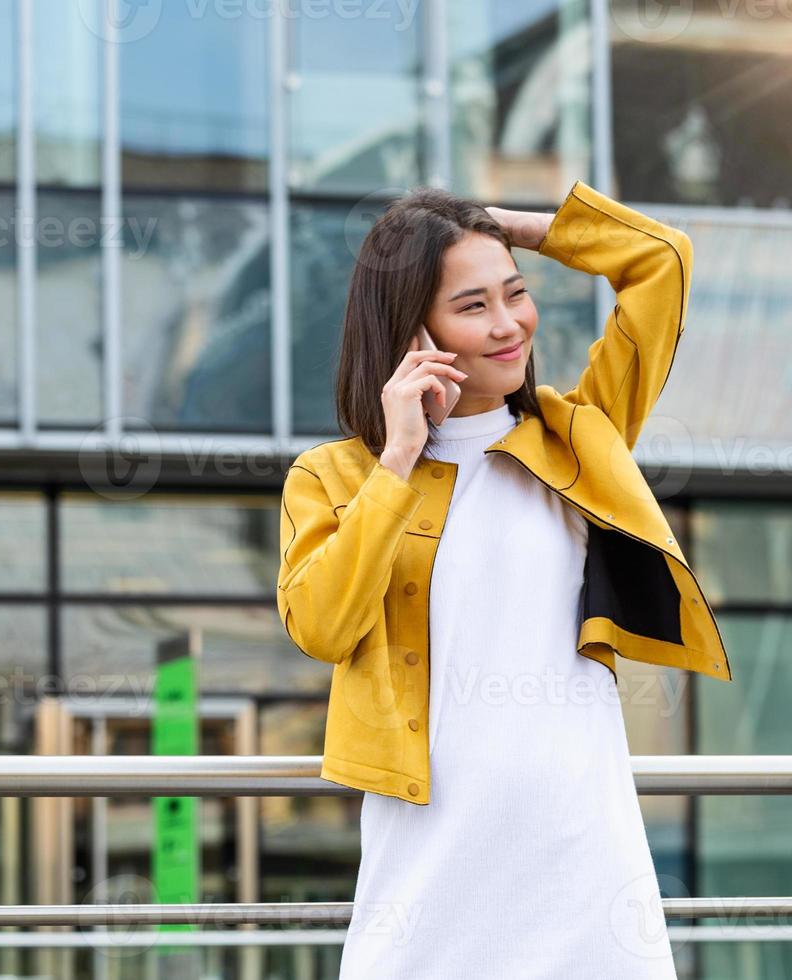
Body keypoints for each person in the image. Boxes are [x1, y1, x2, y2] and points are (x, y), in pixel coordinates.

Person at [279, 178, 724, 978]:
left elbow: (662, 261)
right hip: (427, 864)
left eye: (515, 295)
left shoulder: (580, 439)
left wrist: (507, 226)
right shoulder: (334, 477)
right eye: (473, 306)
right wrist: (400, 458)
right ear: (411, 330)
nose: (510, 323)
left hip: (581, 855)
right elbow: (322, 627)